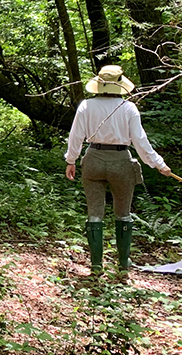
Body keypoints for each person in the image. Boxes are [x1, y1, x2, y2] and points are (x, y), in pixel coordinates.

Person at [64, 65, 170, 274]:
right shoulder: (129, 108)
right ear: (120, 85)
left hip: (93, 160)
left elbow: (76, 135)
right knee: (123, 213)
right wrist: (158, 163)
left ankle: (96, 266)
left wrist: (71, 160)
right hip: (121, 161)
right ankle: (123, 265)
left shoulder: (86, 105)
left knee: (95, 213)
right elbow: (140, 141)